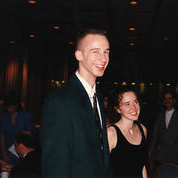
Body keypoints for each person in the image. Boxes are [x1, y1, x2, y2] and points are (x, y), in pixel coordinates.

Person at [40, 28, 112, 178]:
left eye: (106, 52)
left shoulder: (97, 96)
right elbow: (55, 164)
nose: (103, 58)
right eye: (95, 51)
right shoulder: (61, 101)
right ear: (79, 55)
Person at [107, 86, 148, 178]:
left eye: (135, 102)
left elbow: (142, 166)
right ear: (118, 109)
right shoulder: (111, 133)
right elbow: (101, 169)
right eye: (127, 104)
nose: (133, 108)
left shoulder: (142, 130)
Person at [149, 90, 178, 171]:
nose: (167, 101)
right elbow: (155, 135)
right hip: (160, 155)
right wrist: (151, 151)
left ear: (174, 100)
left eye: (170, 99)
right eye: (165, 99)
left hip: (175, 156)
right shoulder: (159, 116)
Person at [0, 94, 34, 165]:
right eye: (7, 107)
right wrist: (4, 154)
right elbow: (2, 135)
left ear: (16, 105)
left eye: (11, 107)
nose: (8, 109)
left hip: (22, 150)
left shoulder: (26, 115)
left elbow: (31, 134)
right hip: (6, 150)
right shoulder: (3, 116)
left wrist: (20, 135)